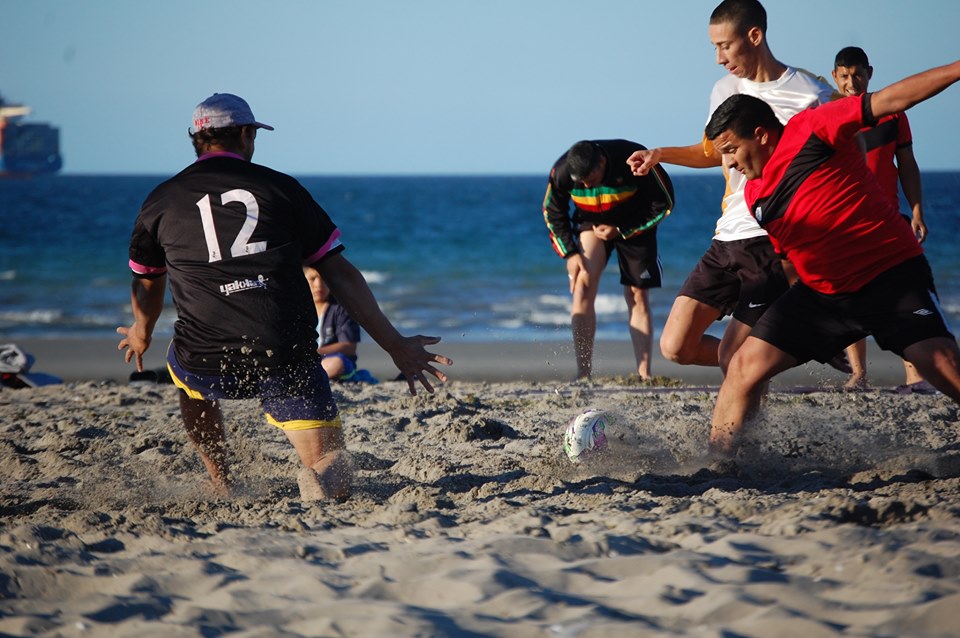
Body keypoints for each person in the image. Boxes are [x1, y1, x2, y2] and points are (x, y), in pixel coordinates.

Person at [117, 93, 451, 501]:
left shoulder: (160, 200)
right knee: (334, 468)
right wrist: (395, 344)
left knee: (182, 369)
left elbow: (148, 284)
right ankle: (318, 480)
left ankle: (219, 479)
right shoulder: (281, 188)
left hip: (204, 351)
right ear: (245, 134)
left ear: (196, 139)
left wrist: (141, 332)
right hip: (282, 350)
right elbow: (341, 275)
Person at [705, 60, 960, 457]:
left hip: (890, 277)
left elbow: (894, 98)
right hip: (823, 297)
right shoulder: (756, 198)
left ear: (760, 134)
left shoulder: (813, 128)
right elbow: (791, 262)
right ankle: (722, 463)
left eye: (732, 150)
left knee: (942, 365)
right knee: (741, 368)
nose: (731, 163)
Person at [626, 0, 836, 376]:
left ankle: (749, 389)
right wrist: (660, 154)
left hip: (770, 237)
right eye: (714, 48)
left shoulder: (810, 95)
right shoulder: (723, 89)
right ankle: (793, 350)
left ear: (754, 36)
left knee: (733, 357)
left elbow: (842, 166)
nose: (719, 58)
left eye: (724, 45)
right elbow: (713, 152)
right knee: (676, 345)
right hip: (727, 235)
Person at [831, 46, 934, 393]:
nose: (851, 82)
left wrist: (917, 208)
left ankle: (914, 375)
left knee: (903, 295)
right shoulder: (830, 115)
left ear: (869, 73)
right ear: (835, 77)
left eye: (857, 74)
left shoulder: (893, 114)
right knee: (851, 296)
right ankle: (859, 372)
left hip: (888, 219)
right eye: (844, 76)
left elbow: (907, 164)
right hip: (846, 222)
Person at [542, 139, 675, 380]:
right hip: (590, 224)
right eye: (579, 182)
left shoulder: (632, 158)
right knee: (581, 285)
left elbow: (664, 203)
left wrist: (622, 229)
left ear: (602, 162)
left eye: (589, 180)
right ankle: (583, 374)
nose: (585, 185)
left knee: (637, 294)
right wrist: (570, 253)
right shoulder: (562, 171)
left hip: (634, 226)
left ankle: (644, 374)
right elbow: (553, 211)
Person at [303, 265, 363, 382]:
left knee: (336, 364)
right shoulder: (298, 309)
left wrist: (314, 352)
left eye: (323, 278)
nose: (319, 285)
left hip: (333, 359)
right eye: (313, 278)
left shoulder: (342, 308)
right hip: (306, 362)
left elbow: (349, 347)